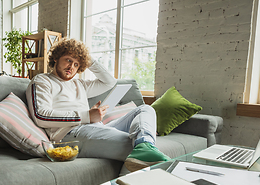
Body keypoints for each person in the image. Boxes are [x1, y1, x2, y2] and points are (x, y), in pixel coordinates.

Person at [26, 37, 170, 174]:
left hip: (97, 127)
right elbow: (41, 116)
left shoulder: (79, 84)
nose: (71, 67)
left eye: (76, 64)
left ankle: (145, 144)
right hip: (70, 136)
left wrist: (87, 59)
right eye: (68, 60)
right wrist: (86, 116)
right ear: (56, 58)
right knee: (133, 146)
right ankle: (129, 181)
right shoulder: (42, 81)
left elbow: (109, 82)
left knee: (145, 109)